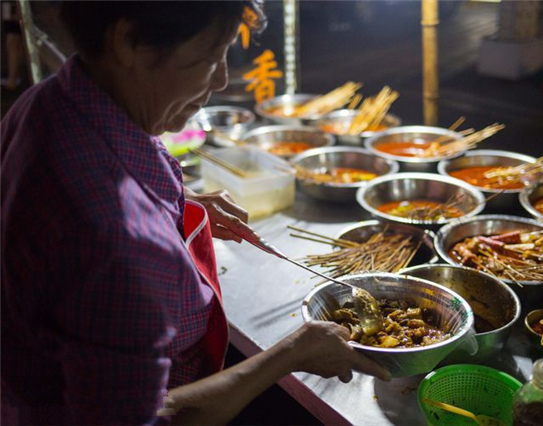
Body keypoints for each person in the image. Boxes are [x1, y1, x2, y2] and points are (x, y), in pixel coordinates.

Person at [0, 2, 390, 425]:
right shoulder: (116, 241)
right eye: (209, 57)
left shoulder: (47, 100)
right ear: (128, 41)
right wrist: (292, 354)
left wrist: (174, 200)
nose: (221, 78)